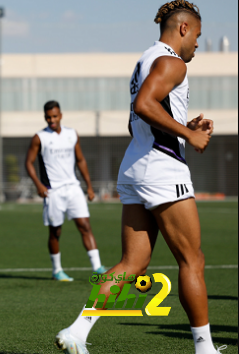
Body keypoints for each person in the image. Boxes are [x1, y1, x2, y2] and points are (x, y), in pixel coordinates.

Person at [55, 2, 226, 354]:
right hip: (162, 169)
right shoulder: (172, 62)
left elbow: (142, 115)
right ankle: (205, 349)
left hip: (138, 165)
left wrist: (184, 128)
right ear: (183, 28)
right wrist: (189, 136)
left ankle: (77, 331)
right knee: (192, 260)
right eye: (196, 35)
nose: (196, 43)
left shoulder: (145, 59)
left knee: (133, 264)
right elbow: (145, 106)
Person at [25, 101, 107, 282]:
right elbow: (28, 162)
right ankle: (57, 270)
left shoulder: (72, 134)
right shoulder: (40, 137)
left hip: (73, 188)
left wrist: (89, 186)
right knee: (56, 232)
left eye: (54, 116)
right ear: (45, 117)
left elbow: (81, 160)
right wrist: (38, 185)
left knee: (85, 225)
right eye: (48, 117)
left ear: (60, 115)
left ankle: (98, 268)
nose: (51, 120)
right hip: (53, 192)